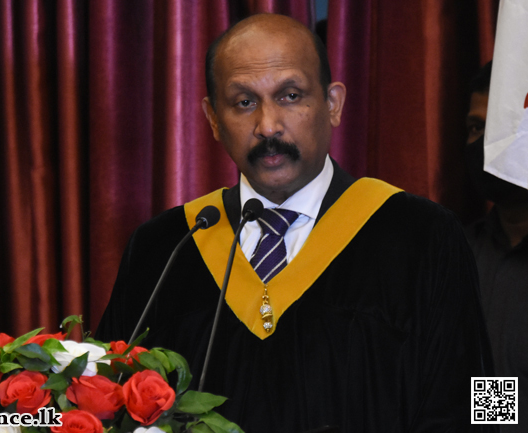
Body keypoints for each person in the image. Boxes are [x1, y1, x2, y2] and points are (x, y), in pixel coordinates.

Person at [98, 14, 495, 432]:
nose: (268, 126)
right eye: (244, 102)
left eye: (290, 95)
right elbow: (106, 394)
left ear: (333, 103)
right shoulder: (164, 247)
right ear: (213, 118)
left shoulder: (421, 233)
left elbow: (483, 396)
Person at [465, 61, 528, 432]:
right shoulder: (466, 255)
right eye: (476, 128)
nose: (485, 144)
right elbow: (493, 408)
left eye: (501, 130)